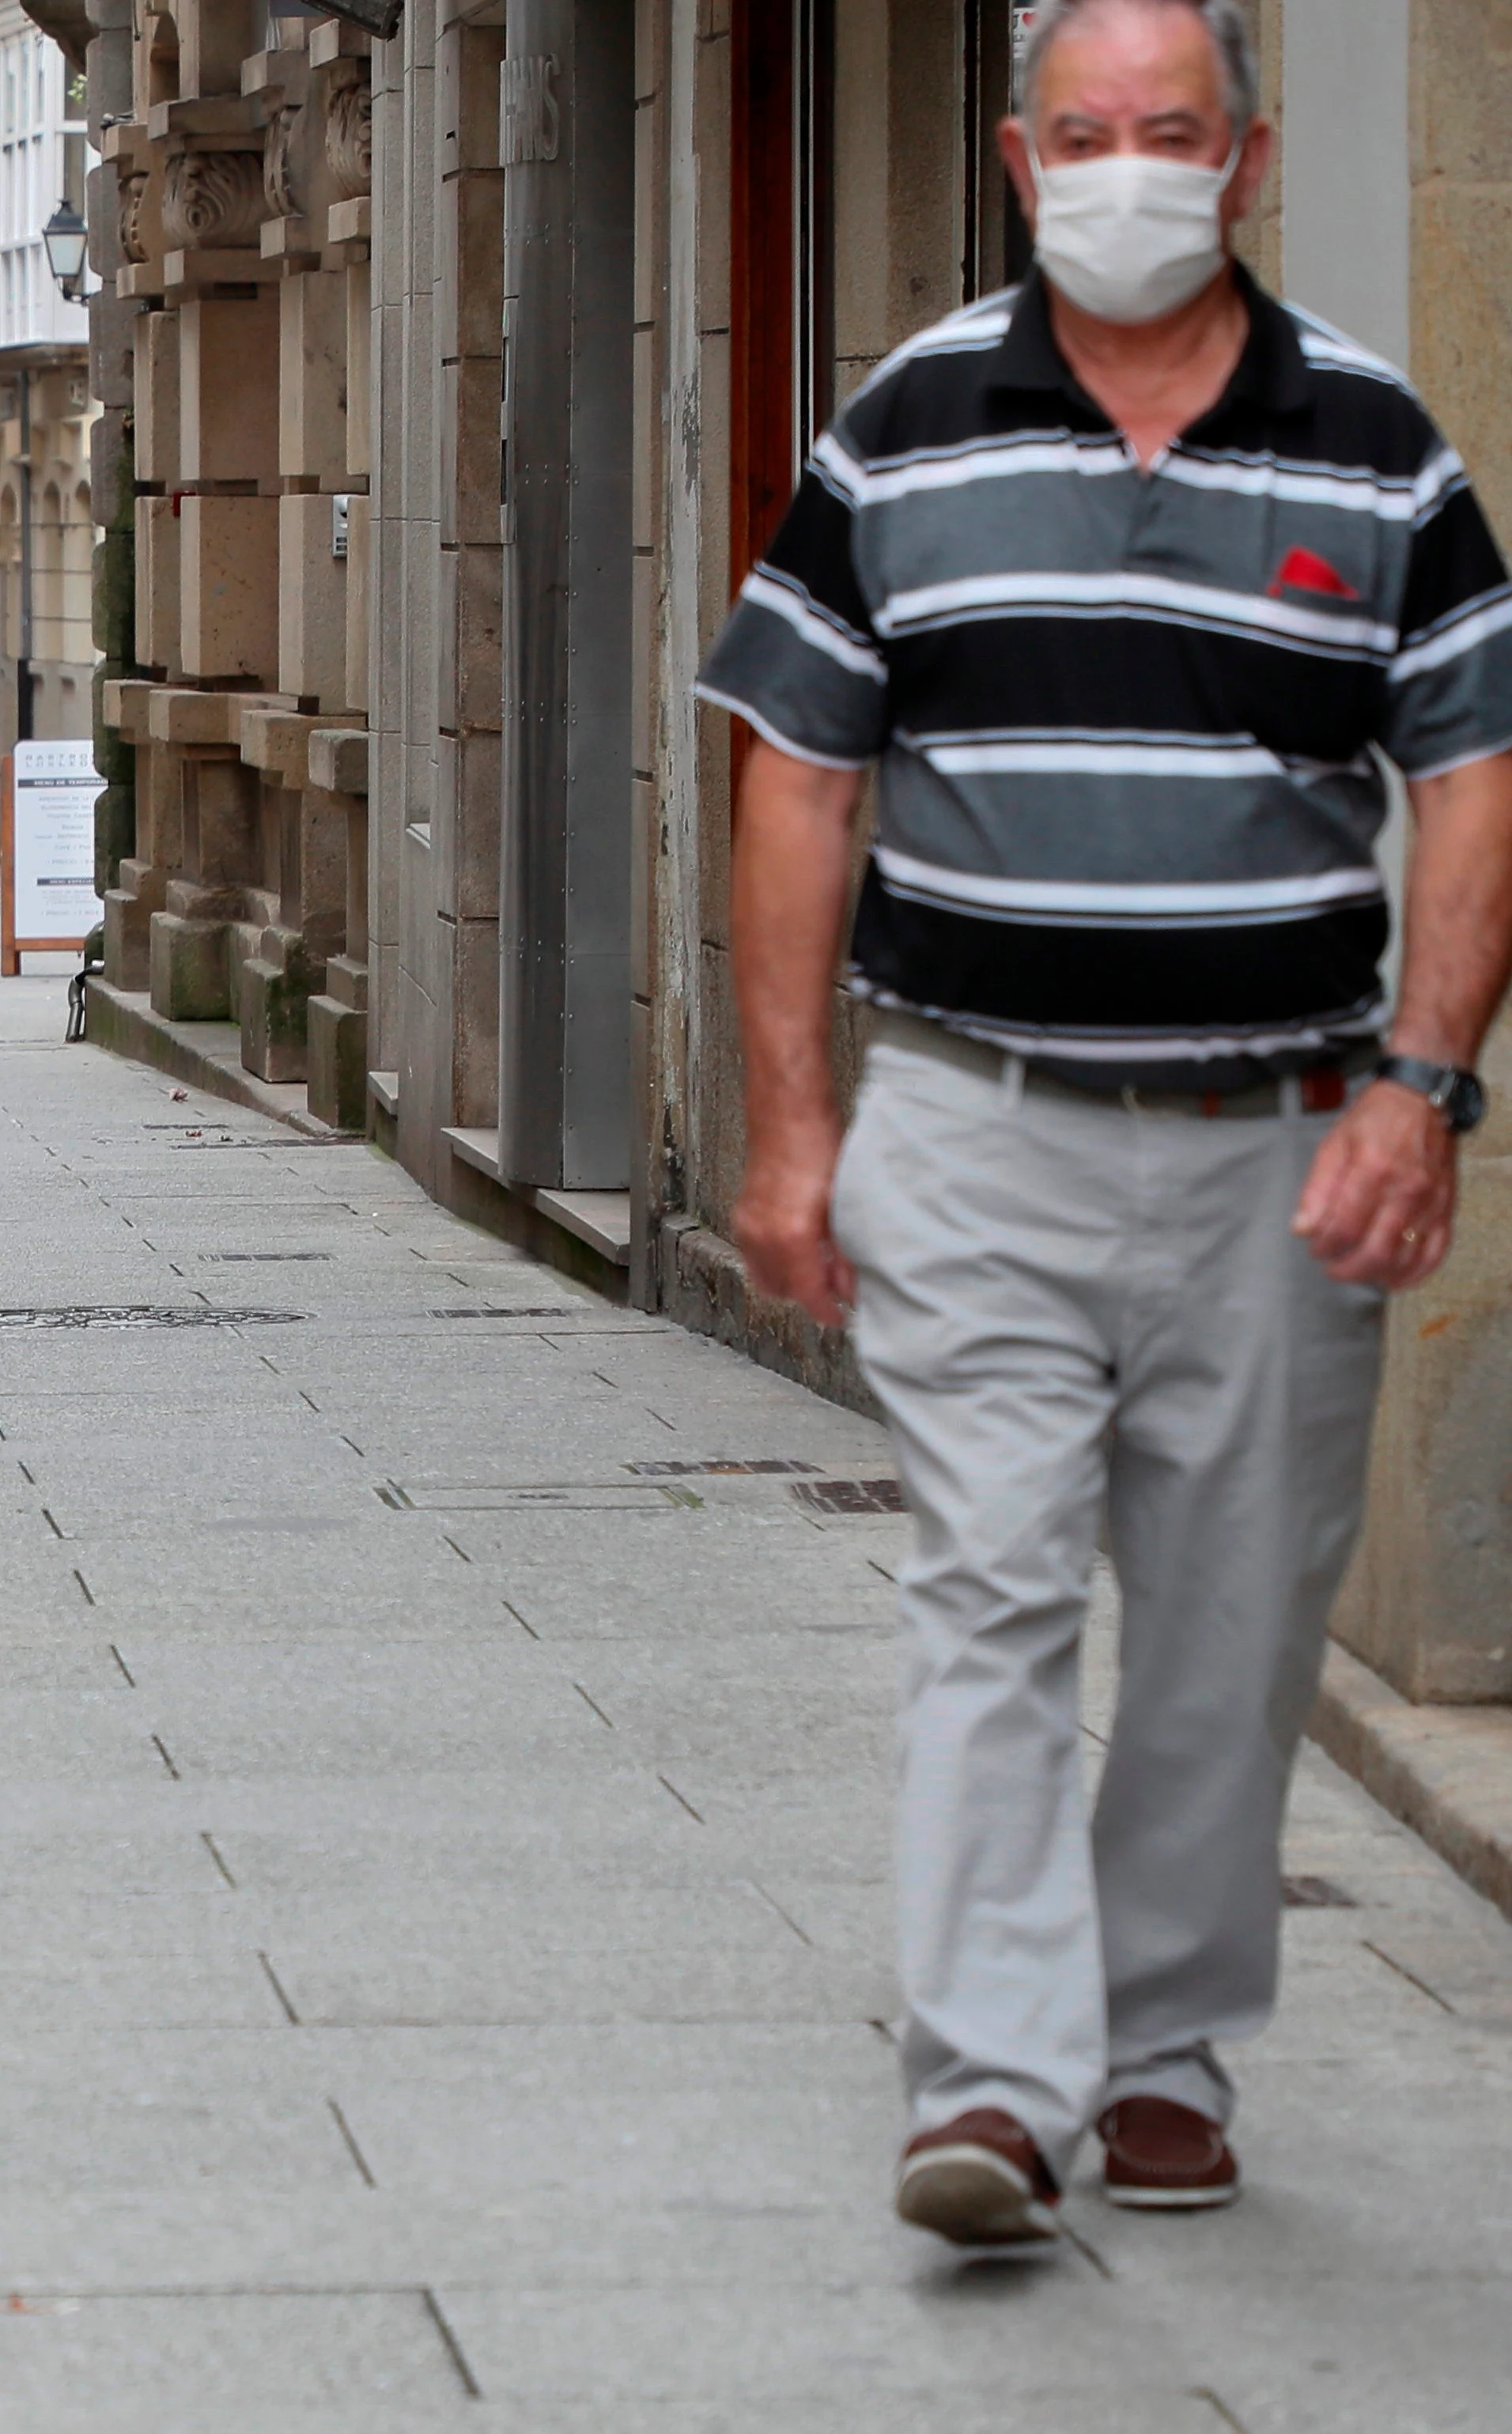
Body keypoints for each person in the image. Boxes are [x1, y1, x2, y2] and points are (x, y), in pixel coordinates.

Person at [705, 0, 1512, 2252]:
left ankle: (1160, 2047)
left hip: (1283, 1140)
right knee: (990, 1578)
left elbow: (1474, 772)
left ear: (1245, 162)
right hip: (976, 1116)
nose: (1129, 167)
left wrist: (1424, 1086)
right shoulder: (906, 430)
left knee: (1237, 1617)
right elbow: (799, 775)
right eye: (1087, 133)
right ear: (1015, 152)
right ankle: (989, 2081)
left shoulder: (1375, 448)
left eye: (1174, 130)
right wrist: (793, 1126)